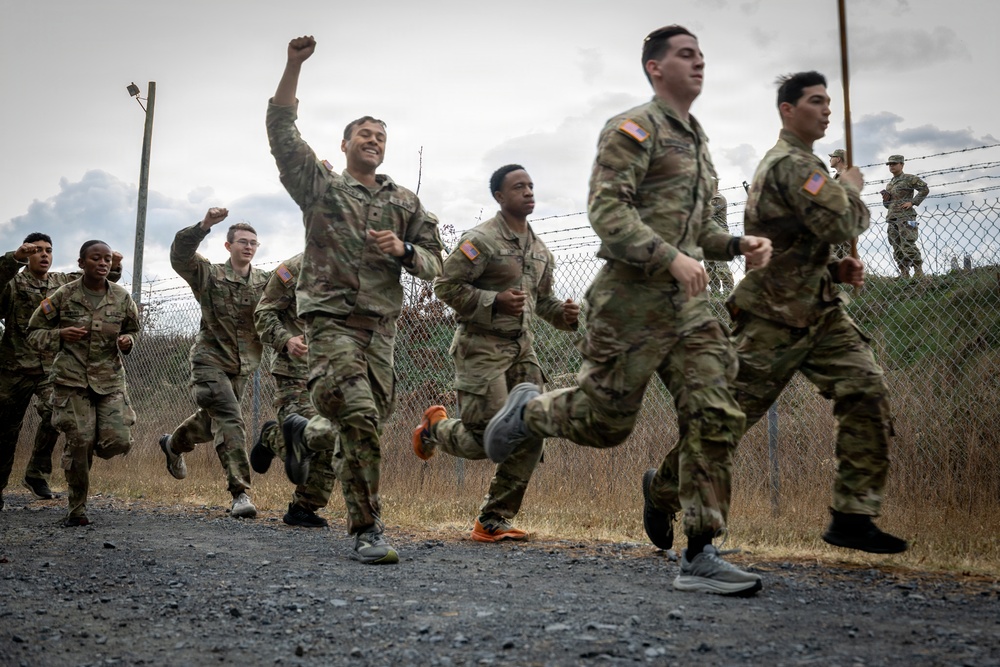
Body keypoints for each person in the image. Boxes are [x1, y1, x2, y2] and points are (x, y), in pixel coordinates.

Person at [483, 25, 772, 596]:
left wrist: (737, 246)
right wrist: (669, 257)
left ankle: (701, 552)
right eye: (685, 55)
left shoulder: (697, 140)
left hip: (688, 306)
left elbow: (699, 231)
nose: (699, 63)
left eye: (702, 55)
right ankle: (531, 412)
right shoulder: (632, 128)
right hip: (630, 301)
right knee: (605, 425)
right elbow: (605, 211)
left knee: (716, 412)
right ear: (654, 68)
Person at [267, 35, 444, 564]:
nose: (373, 140)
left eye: (380, 136)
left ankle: (300, 434)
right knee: (362, 418)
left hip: (380, 331)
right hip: (332, 324)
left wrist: (406, 249)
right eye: (364, 134)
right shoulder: (321, 187)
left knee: (359, 422)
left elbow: (438, 265)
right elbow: (280, 131)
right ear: (344, 145)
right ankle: (367, 529)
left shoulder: (405, 201)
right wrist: (293, 65)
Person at [727, 71, 907, 554]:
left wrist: (834, 269)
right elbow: (845, 219)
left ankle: (852, 515)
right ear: (787, 110)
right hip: (772, 316)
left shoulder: (807, 166)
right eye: (815, 101)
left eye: (829, 101)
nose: (826, 109)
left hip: (822, 313)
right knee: (726, 422)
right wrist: (852, 185)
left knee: (866, 390)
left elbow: (800, 241)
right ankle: (661, 489)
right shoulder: (790, 166)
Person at [412, 164, 579, 542]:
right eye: (519, 187)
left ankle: (493, 519)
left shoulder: (539, 250)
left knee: (532, 429)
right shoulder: (481, 241)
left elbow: (544, 302)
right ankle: (435, 428)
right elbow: (445, 284)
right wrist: (494, 300)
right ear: (500, 197)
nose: (528, 191)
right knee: (487, 440)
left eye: (531, 185)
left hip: (522, 351)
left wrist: (565, 316)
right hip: (480, 347)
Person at [159, 208, 269, 519]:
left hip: (242, 366)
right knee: (231, 421)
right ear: (228, 246)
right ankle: (240, 493)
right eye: (242, 242)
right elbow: (180, 256)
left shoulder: (265, 282)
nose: (248, 246)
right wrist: (204, 225)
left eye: (253, 243)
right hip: (209, 361)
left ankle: (173, 445)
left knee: (210, 425)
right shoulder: (210, 275)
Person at [0, 234, 122, 510]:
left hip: (49, 368)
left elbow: (95, 280)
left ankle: (36, 472)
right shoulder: (14, 282)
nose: (44, 255)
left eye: (48, 250)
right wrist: (13, 259)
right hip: (13, 368)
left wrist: (113, 265)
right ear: (26, 255)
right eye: (37, 251)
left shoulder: (59, 283)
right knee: (6, 431)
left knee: (56, 415)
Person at [26, 240, 138, 526]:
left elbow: (131, 330)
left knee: (118, 442)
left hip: (109, 380)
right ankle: (77, 509)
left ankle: (83, 448)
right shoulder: (64, 296)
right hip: (71, 380)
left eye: (107, 260)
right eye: (95, 258)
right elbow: (34, 332)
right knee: (80, 441)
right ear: (81, 263)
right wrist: (60, 334)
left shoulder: (122, 298)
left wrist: (127, 342)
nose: (102, 263)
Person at [251, 252, 338, 528]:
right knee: (308, 433)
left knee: (335, 438)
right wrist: (286, 340)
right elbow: (263, 313)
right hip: (295, 370)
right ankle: (273, 437)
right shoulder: (293, 269)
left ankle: (303, 508)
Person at [881, 155, 929, 278]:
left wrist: (912, 202)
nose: (891, 166)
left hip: (906, 217)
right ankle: (904, 273)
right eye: (889, 164)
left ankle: (918, 271)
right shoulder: (890, 184)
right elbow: (888, 205)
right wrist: (886, 200)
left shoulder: (909, 179)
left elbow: (924, 189)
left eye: (894, 163)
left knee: (908, 244)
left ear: (902, 165)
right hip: (892, 218)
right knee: (896, 246)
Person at [705, 180, 735, 293]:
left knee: (720, 265)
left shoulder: (717, 199)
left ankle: (728, 291)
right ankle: (715, 292)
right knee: (709, 266)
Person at [828, 149, 851, 259]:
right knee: (836, 252)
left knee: (848, 250)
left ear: (838, 159)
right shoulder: (836, 177)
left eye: (832, 157)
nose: (830, 160)